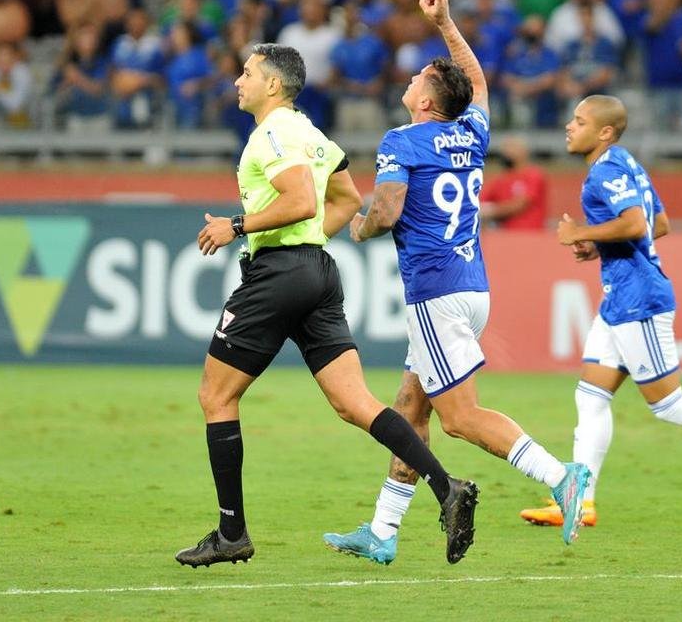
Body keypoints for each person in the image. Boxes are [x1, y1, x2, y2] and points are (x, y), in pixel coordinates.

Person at [175, 43, 479, 569]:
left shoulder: (272, 133)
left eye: (246, 73)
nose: (237, 81)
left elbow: (299, 201)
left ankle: (232, 534)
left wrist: (236, 227)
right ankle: (445, 486)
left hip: (277, 275)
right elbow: (345, 200)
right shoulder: (311, 133)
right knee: (355, 403)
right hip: (316, 272)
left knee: (215, 397)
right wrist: (309, 245)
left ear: (273, 84)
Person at [323, 0, 590, 565]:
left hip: (436, 292)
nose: (410, 80)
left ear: (426, 100)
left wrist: (359, 227)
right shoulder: (471, 131)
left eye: (418, 76)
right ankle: (384, 530)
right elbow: (481, 84)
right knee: (409, 408)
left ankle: (561, 477)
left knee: (461, 419)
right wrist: (445, 24)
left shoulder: (402, 141)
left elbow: (388, 208)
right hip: (470, 285)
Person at [519, 95, 682, 527]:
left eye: (580, 121)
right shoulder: (625, 162)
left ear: (604, 132)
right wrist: (597, 245)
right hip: (619, 298)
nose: (569, 126)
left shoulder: (604, 171)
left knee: (669, 405)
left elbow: (638, 226)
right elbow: (659, 222)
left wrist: (579, 232)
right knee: (590, 396)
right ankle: (580, 501)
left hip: (638, 299)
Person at [480, 135, 548, 230]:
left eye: (511, 148)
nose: (506, 152)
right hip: (506, 236)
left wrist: (492, 211)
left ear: (523, 151)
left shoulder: (533, 175)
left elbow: (521, 204)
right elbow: (480, 200)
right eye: (505, 149)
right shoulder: (500, 179)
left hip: (531, 234)